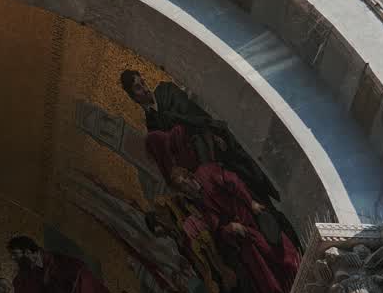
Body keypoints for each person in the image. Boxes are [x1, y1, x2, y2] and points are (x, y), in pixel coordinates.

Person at [169, 164, 299, 293]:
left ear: (188, 176)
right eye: (182, 188)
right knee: (264, 277)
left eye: (185, 182)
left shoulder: (206, 173)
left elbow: (233, 181)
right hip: (243, 238)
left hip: (253, 219)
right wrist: (230, 228)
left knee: (280, 255)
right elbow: (217, 229)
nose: (187, 187)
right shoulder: (198, 203)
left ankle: (298, 274)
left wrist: (251, 202)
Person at [119, 70, 278, 206]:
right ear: (133, 97)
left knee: (245, 174)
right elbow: (172, 153)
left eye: (143, 83)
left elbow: (192, 112)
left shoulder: (166, 90)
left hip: (211, 138)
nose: (145, 89)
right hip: (202, 163)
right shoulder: (152, 125)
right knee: (234, 191)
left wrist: (210, 132)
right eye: (138, 88)